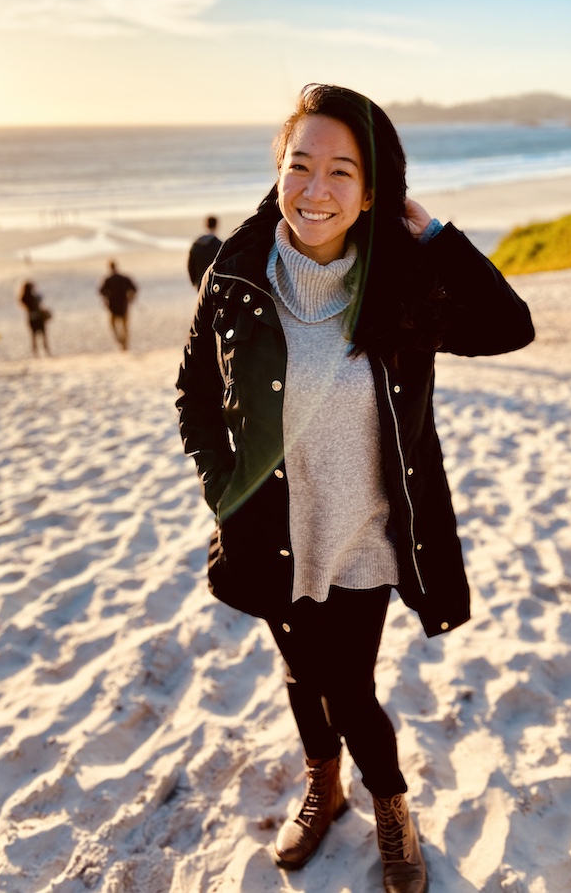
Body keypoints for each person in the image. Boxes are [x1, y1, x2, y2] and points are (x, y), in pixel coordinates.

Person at [175, 84, 534, 892]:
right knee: (303, 672)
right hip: (269, 531)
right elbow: (193, 397)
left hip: (365, 535)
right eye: (299, 166)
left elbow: (511, 325)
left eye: (343, 171)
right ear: (277, 174)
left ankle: (390, 802)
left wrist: (430, 229)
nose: (315, 189)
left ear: (374, 191)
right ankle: (321, 779)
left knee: (347, 683)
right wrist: (221, 489)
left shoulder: (403, 287)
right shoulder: (235, 278)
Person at [98, 260, 137, 350]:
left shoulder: (108, 279)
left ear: (110, 267)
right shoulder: (124, 278)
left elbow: (101, 291)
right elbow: (134, 288)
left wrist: (105, 300)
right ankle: (124, 343)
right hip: (124, 305)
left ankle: (120, 340)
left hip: (113, 306)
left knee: (113, 325)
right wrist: (131, 297)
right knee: (125, 326)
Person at [188, 216, 223, 289]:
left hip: (199, 282)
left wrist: (194, 281)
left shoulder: (196, 244)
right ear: (216, 226)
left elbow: (190, 265)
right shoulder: (220, 245)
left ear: (205, 224)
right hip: (214, 284)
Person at [18, 280, 52, 356]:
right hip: (39, 318)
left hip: (31, 319)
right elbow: (40, 299)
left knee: (33, 336)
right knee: (44, 336)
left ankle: (35, 353)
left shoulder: (23, 298)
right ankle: (46, 351)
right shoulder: (34, 297)